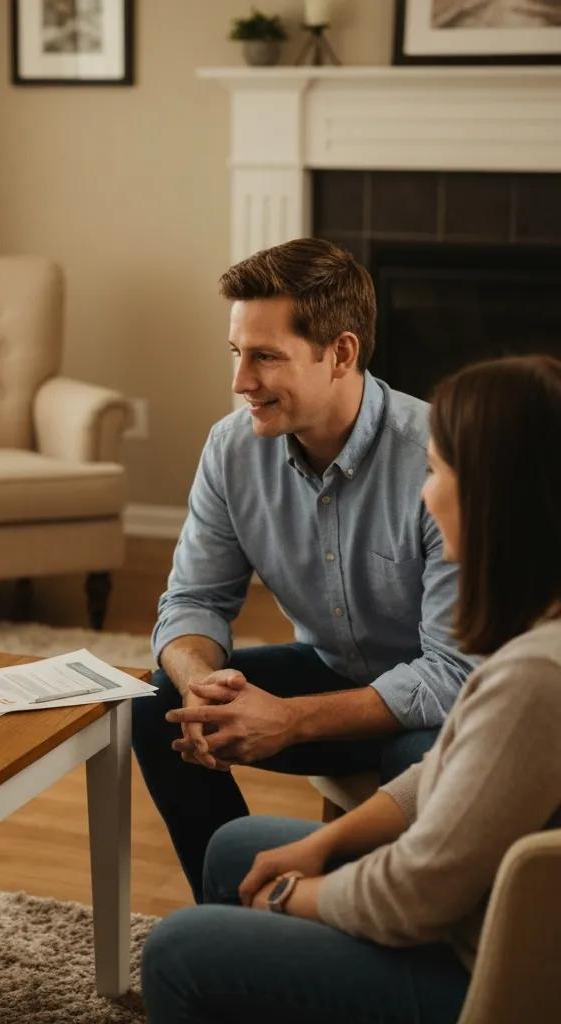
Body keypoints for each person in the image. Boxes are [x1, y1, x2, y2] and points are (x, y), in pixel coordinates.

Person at [140, 353, 561, 1023]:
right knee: (228, 840)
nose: (426, 492)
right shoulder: (536, 644)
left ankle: (245, 960)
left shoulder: (535, 677)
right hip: (469, 906)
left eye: (444, 471)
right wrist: (323, 846)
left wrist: (285, 900)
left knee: (176, 951)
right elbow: (452, 776)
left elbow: (414, 892)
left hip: (482, 967)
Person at [134, 238, 477, 902]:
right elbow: (192, 601)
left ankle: (371, 943)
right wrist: (201, 683)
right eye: (238, 354)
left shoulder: (439, 462)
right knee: (159, 707)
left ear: (341, 353)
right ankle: (234, 917)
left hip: (431, 711)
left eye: (266, 357)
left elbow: (454, 672)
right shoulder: (232, 451)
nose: (241, 382)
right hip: (334, 673)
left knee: (426, 765)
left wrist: (290, 720)